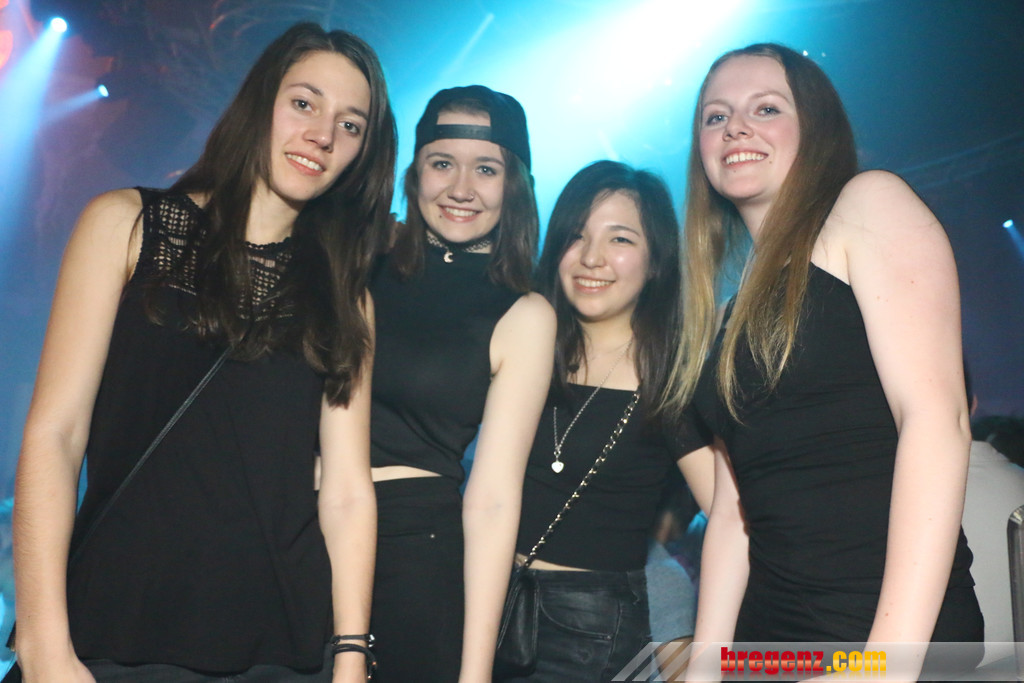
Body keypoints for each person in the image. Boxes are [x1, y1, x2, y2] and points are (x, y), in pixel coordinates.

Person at [11, 22, 396, 682]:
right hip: (118, 628)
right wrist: (44, 643)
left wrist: (352, 655)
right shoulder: (126, 225)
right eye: (304, 103)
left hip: (279, 644)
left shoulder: (344, 295)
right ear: (260, 102)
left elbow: (345, 492)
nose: (323, 134)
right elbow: (56, 435)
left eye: (350, 124)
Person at [672, 43, 983, 678]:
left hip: (880, 633)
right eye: (716, 116)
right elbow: (733, 510)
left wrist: (885, 664)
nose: (735, 127)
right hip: (771, 646)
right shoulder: (728, 313)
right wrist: (706, 664)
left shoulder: (868, 205)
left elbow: (935, 421)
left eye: (766, 108)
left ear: (814, 126)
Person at [497, 161, 714, 682]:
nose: (591, 257)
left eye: (619, 238)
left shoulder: (671, 377)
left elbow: (733, 515)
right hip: (485, 597)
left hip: (589, 628)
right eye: (576, 235)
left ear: (656, 260)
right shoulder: (521, 343)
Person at [367, 85, 555, 682]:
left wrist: (473, 673)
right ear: (414, 172)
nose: (461, 188)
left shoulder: (522, 313)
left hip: (410, 557)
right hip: (288, 532)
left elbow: (494, 500)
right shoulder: (357, 262)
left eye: (487, 169)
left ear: (514, 186)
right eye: (443, 163)